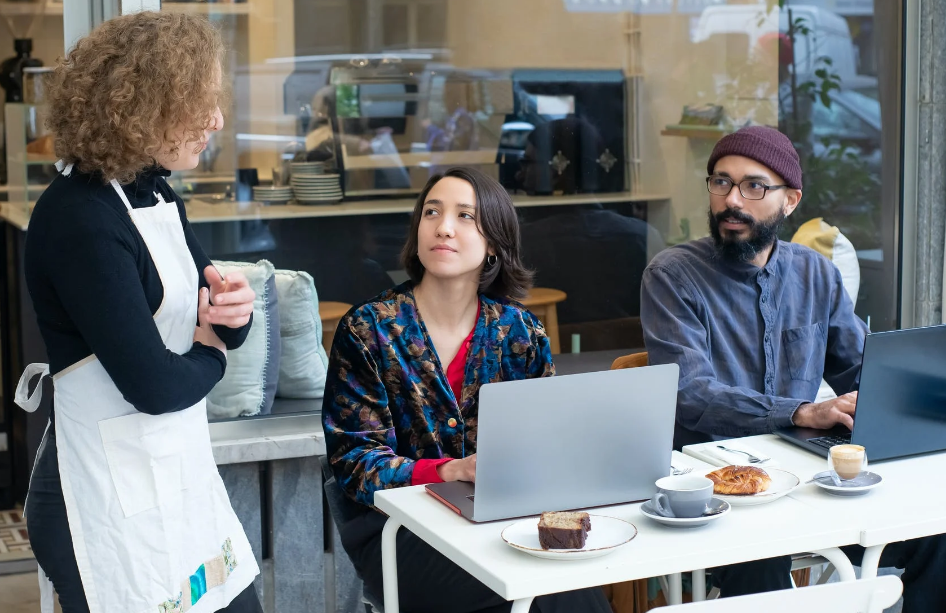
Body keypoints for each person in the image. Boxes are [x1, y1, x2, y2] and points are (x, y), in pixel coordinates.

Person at [640, 125, 946, 611]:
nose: (731, 199)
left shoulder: (814, 273)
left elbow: (863, 372)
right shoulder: (673, 275)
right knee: (762, 554)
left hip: (810, 477)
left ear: (790, 200)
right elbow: (690, 394)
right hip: (717, 487)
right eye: (721, 182)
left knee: (937, 531)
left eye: (753, 186)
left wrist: (917, 395)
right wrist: (803, 412)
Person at [18, 12, 262, 613]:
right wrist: (212, 351)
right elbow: (153, 384)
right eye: (196, 103)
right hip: (97, 497)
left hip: (173, 472)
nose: (216, 121)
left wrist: (237, 313)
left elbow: (213, 311)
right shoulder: (79, 218)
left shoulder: (153, 192)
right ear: (141, 106)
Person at [322, 167, 612, 613]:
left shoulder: (522, 332)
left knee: (568, 583)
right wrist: (446, 471)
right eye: (432, 212)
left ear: (493, 242)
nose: (443, 227)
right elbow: (355, 462)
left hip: (503, 522)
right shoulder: (368, 330)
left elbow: (546, 443)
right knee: (544, 590)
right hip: (401, 531)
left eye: (465, 216)